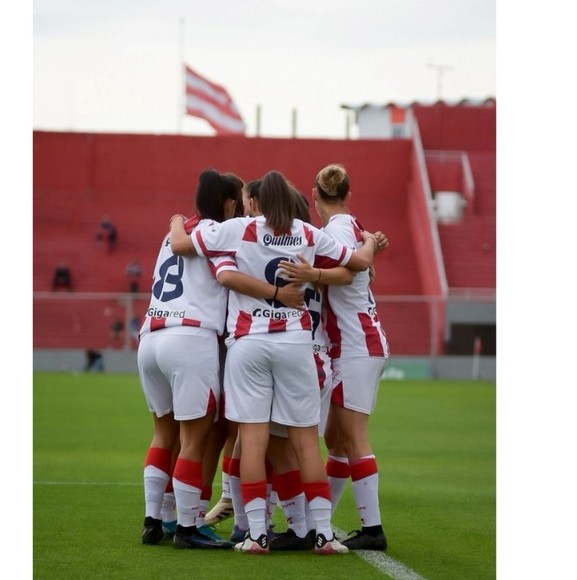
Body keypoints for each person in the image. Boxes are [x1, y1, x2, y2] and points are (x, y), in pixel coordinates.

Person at [168, 170, 378, 555]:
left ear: (258, 202)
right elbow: (358, 262)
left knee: (251, 441)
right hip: (297, 344)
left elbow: (181, 245)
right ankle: (323, 536)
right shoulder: (307, 232)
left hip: (250, 343)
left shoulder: (241, 229)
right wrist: (369, 241)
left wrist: (177, 221)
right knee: (305, 444)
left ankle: (257, 535)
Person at [138, 169, 303, 550]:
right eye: (240, 200)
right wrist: (278, 293)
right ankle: (188, 527)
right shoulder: (222, 235)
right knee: (198, 439)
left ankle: (154, 518)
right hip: (191, 337)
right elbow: (230, 278)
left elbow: (182, 245)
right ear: (229, 203)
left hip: (151, 335)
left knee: (164, 434)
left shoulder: (174, 233)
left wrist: (178, 219)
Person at [307, 163, 391, 551]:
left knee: (353, 438)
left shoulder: (336, 230)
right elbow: (360, 263)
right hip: (358, 343)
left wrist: (308, 271)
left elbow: (346, 270)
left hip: (357, 344)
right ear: (348, 195)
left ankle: (372, 529)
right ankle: (321, 523)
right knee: (336, 438)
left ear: (314, 194)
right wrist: (371, 244)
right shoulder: (352, 225)